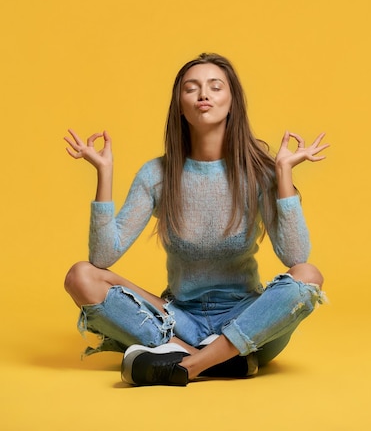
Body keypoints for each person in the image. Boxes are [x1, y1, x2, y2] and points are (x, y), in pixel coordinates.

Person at [64, 52, 328, 387]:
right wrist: (104, 174)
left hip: (248, 317)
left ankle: (188, 364)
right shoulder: (156, 175)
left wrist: (283, 174)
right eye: (192, 88)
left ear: (232, 102)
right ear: (180, 104)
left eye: (215, 87)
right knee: (81, 277)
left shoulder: (257, 173)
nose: (203, 94)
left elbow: (296, 257)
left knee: (308, 276)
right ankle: (224, 361)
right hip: (180, 319)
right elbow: (102, 258)